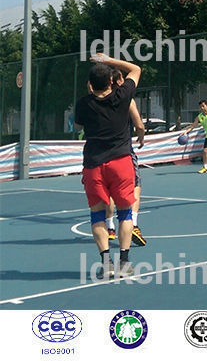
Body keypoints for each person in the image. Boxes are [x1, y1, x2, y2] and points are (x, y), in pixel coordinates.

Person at [74, 53, 141, 279]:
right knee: (125, 212)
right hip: (121, 163)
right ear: (112, 81)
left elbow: (77, 126)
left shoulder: (84, 103)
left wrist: (91, 94)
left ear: (90, 85)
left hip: (94, 165)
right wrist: (108, 60)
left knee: (97, 215)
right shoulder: (122, 96)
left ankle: (107, 263)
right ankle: (124, 261)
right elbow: (136, 69)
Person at [105, 69, 147, 247]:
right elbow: (139, 125)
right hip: (122, 152)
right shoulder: (126, 99)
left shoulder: (98, 99)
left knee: (108, 191)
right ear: (119, 81)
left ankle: (110, 228)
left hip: (100, 154)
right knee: (135, 185)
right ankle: (134, 224)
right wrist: (141, 136)